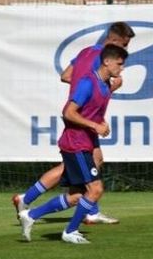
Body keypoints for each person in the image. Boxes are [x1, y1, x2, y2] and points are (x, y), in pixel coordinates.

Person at [12, 21, 134, 224]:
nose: (125, 51)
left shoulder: (86, 52)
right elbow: (89, 86)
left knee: (87, 163)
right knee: (79, 166)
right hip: (83, 119)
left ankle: (29, 199)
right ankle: (86, 212)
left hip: (83, 117)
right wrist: (107, 89)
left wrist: (83, 88)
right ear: (113, 41)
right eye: (124, 45)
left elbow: (66, 75)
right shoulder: (101, 60)